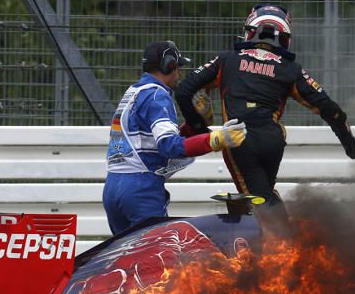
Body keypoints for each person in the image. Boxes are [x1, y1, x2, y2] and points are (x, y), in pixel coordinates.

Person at [174, 3, 355, 210]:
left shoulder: (227, 59)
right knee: (264, 196)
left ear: (250, 31)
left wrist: (199, 129)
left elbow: (184, 91)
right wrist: (350, 145)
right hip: (273, 141)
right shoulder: (291, 69)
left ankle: (283, 240)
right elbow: (332, 111)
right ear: (284, 37)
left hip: (239, 141)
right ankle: (292, 239)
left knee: (261, 204)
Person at [102, 40, 247, 235]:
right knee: (153, 260)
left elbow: (151, 140)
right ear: (167, 65)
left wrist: (193, 126)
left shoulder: (133, 92)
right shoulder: (158, 95)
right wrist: (216, 140)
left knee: (124, 259)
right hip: (140, 189)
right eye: (177, 66)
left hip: (113, 188)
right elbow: (168, 146)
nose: (179, 72)